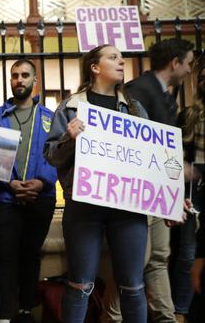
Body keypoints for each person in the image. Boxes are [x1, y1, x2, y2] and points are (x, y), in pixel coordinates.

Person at [44, 45, 149, 323]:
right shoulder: (70, 107)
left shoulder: (135, 109)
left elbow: (154, 159)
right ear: (94, 67)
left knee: (133, 286)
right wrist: (68, 139)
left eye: (121, 57)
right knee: (79, 285)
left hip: (128, 205)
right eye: (113, 57)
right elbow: (52, 156)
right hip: (84, 205)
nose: (122, 61)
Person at [106, 38, 194, 323]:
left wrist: (175, 188)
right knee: (136, 262)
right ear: (175, 63)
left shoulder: (161, 94)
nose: (190, 71)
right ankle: (113, 318)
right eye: (189, 64)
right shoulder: (137, 92)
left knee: (158, 257)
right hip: (138, 194)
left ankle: (165, 318)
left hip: (158, 192)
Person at [0, 59, 57, 323]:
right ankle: (5, 315)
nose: (19, 80)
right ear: (10, 80)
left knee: (31, 254)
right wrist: (9, 183)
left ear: (34, 80)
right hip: (6, 197)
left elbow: (57, 155)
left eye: (25, 75)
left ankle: (26, 310)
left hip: (42, 197)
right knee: (5, 256)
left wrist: (41, 182)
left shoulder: (50, 118)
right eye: (15, 75)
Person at [171, 60, 204, 322]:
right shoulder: (189, 114)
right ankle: (181, 312)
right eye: (201, 76)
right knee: (188, 253)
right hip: (196, 189)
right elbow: (177, 156)